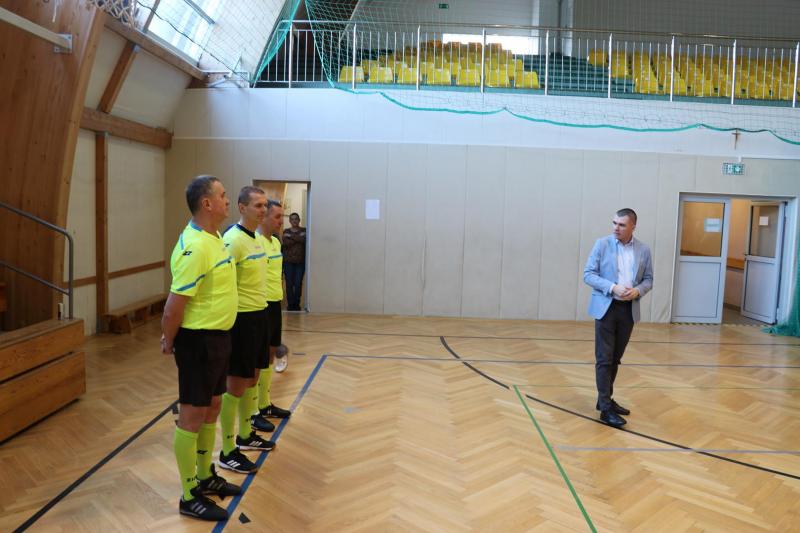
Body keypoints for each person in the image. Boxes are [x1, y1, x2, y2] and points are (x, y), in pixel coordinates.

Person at [161, 175, 240, 521]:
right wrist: (169, 339)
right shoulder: (195, 247)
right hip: (198, 342)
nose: (227, 200)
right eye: (223, 195)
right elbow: (173, 307)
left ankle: (206, 475)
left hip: (218, 339)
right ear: (207, 203)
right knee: (192, 415)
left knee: (212, 406)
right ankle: (189, 494)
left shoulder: (215, 237)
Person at [217, 186, 276, 476]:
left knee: (252, 377)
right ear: (242, 208)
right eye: (258, 205)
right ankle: (228, 450)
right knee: (236, 384)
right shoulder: (232, 240)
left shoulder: (258, 240)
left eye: (265, 205)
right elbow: (223, 283)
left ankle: (245, 434)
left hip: (259, 314)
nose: (263, 210)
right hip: (241, 320)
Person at [583, 208, 653, 428]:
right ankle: (605, 409)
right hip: (606, 307)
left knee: (615, 358)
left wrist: (638, 291)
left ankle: (605, 399)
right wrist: (613, 287)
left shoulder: (643, 249)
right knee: (604, 359)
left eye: (622, 225)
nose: (616, 228)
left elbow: (649, 279)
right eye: (614, 223)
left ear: (633, 226)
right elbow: (588, 274)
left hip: (628, 310)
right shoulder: (602, 244)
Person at [251, 199, 292, 432]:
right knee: (256, 362)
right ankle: (253, 411)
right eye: (277, 217)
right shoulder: (254, 242)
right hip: (259, 306)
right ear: (264, 217)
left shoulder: (275, 242)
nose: (281, 221)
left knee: (269, 356)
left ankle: (265, 404)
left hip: (275, 305)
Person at [282, 213, 306, 311]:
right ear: (290, 221)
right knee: (289, 284)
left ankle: (297, 304)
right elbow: (286, 243)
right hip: (288, 262)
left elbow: (304, 240)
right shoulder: (286, 231)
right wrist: (298, 238)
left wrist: (291, 237)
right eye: (292, 219)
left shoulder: (304, 230)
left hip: (300, 262)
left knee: (298, 283)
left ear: (299, 220)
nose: (294, 221)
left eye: (296, 219)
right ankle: (290, 304)